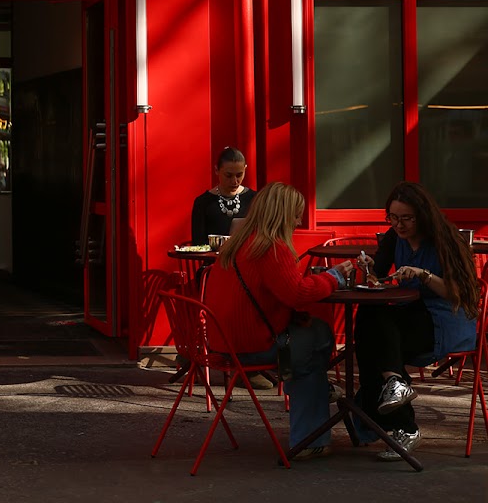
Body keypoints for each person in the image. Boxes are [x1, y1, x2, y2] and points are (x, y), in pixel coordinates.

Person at [204, 182, 354, 460]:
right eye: (295, 215)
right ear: (281, 215)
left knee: (311, 338)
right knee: (317, 339)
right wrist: (334, 277)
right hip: (252, 346)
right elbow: (297, 294)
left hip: (222, 344)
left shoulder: (236, 243)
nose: (298, 222)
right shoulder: (271, 248)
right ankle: (310, 437)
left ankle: (317, 393)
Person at [353, 181, 479, 461]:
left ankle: (402, 426)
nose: (399, 225)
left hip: (446, 321)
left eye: (406, 218)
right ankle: (395, 385)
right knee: (369, 314)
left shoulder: (445, 240)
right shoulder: (394, 236)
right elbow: (378, 278)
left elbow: (460, 293)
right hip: (411, 315)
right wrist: (369, 269)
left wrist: (424, 275)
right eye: (393, 217)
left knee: (375, 344)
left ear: (422, 215)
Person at [191, 147, 256, 246]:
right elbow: (198, 244)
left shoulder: (254, 199)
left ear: (245, 169)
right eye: (228, 175)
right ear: (216, 170)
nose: (234, 181)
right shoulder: (203, 203)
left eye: (239, 175)